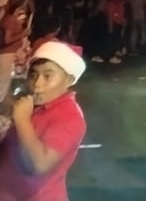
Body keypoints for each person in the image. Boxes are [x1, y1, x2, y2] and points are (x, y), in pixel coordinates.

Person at [0, 40, 87, 201]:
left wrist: (22, 120)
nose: (37, 84)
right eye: (34, 75)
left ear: (68, 80)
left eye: (48, 76)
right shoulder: (31, 105)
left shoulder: (70, 117)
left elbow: (39, 164)